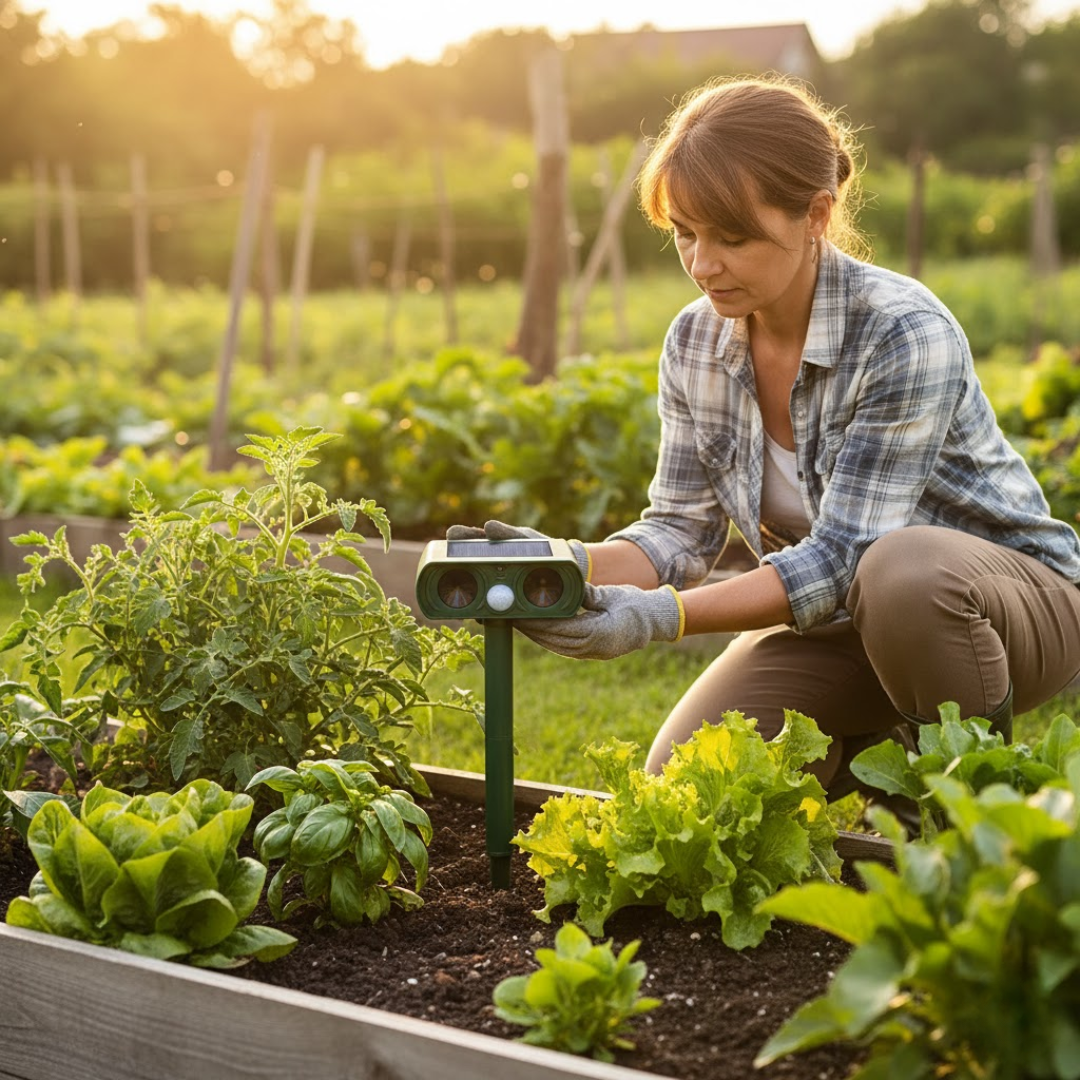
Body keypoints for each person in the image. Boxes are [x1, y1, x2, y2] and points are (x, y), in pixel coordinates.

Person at [450, 75, 1080, 797]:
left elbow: (847, 558)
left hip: (1009, 608)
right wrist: (556, 564)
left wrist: (663, 617)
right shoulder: (695, 342)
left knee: (902, 571)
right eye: (684, 234)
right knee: (692, 783)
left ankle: (967, 801)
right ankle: (881, 739)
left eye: (733, 237)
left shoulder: (902, 331)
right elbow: (678, 534)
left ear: (815, 214)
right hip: (845, 625)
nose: (702, 264)